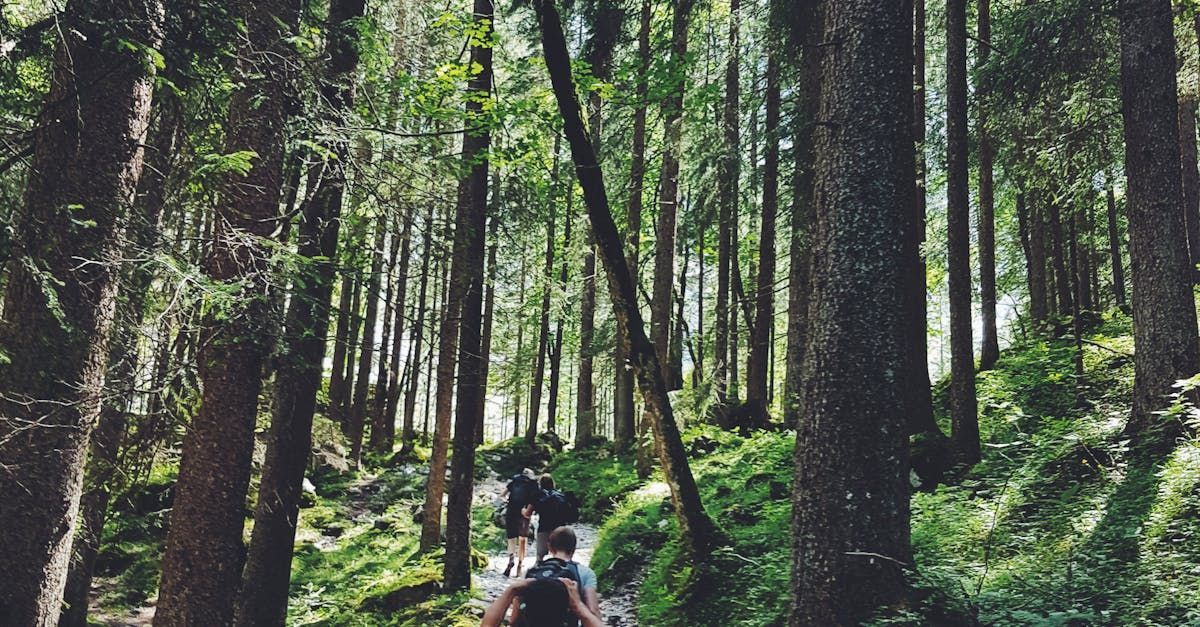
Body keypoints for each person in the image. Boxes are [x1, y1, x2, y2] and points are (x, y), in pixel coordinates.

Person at [480, 526, 602, 627]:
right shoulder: (585, 573)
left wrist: (511, 590)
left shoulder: (531, 572)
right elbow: (593, 611)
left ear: (549, 547)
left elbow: (514, 620)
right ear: (573, 548)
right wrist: (578, 605)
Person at [500, 468, 538, 576]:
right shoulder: (532, 484)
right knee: (522, 539)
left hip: (511, 511)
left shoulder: (515, 481)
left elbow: (502, 495)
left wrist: (508, 502)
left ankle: (511, 559)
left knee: (511, 538)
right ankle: (520, 565)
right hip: (524, 512)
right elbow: (534, 500)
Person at [531, 474, 569, 563]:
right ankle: (560, 570)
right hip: (559, 528)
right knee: (559, 553)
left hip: (544, 527)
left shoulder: (539, 496)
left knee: (540, 555)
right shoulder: (560, 495)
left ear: (540, 484)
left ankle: (538, 570)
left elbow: (529, 512)